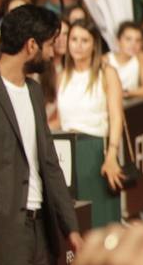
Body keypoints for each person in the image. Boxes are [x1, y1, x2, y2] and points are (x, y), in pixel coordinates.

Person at [0, 5, 82, 265]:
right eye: (51, 44)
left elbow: (50, 164)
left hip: (42, 229)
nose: (54, 53)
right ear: (31, 46)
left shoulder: (34, 91)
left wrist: (72, 230)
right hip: (4, 235)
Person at [54, 17, 126, 191]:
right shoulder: (63, 76)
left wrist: (112, 153)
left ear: (94, 44)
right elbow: (62, 118)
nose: (78, 45)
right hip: (65, 150)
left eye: (84, 40)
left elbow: (116, 117)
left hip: (96, 149)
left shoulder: (107, 73)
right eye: (74, 39)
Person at [105, 21, 143, 98]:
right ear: (118, 40)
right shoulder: (105, 60)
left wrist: (126, 93)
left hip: (133, 105)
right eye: (128, 39)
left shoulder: (140, 57)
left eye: (138, 40)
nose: (133, 44)